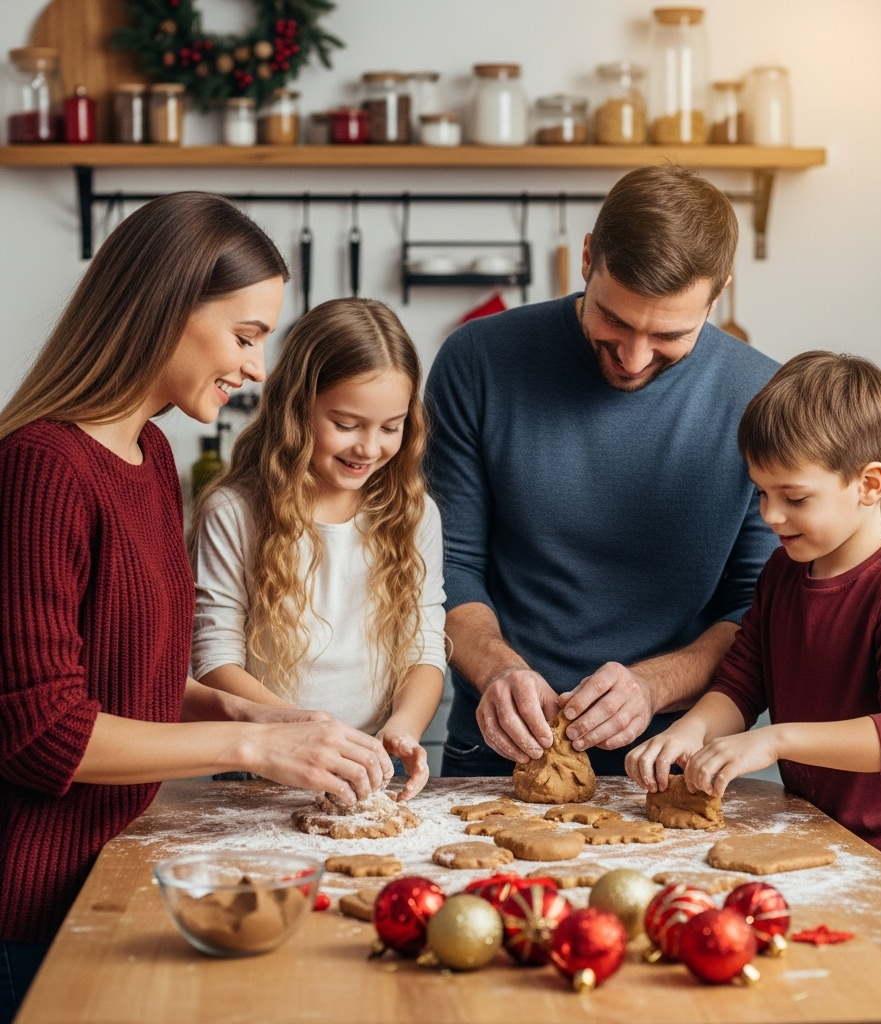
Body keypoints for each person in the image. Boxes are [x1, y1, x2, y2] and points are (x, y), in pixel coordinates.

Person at [0, 193, 393, 1022]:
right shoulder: (40, 468)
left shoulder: (147, 453)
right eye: (245, 336)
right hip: (26, 914)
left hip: (109, 876)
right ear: (165, 307)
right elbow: (42, 734)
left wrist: (284, 724)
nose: (256, 368)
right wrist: (249, 741)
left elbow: (125, 679)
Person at [425, 166, 780, 777]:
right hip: (499, 756)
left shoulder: (764, 396)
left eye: (668, 334)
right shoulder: (477, 361)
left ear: (718, 294)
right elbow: (447, 566)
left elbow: (757, 607)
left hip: (682, 764)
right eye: (614, 321)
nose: (634, 357)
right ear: (588, 258)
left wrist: (651, 686)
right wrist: (499, 670)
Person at [626, 351, 881, 900]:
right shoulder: (783, 572)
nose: (769, 516)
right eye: (761, 492)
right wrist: (688, 731)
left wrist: (775, 742)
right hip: (817, 850)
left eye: (795, 497)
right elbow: (742, 682)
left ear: (869, 483)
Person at [190, 298, 446, 801]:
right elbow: (215, 661)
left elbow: (425, 649)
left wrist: (403, 729)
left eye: (390, 427)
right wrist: (307, 732)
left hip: (371, 766)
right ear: (296, 408)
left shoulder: (414, 515)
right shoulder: (234, 511)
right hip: (260, 767)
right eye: (346, 424)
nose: (369, 448)